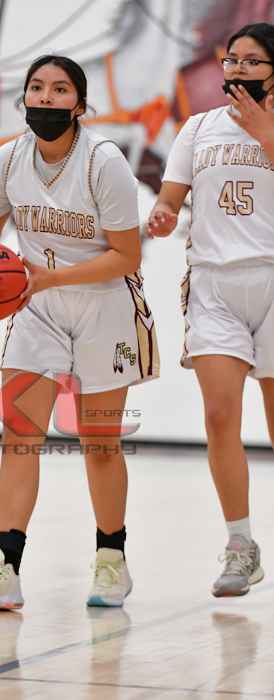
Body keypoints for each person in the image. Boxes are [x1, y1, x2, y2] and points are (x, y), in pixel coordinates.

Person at [0, 55, 159, 610]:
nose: (46, 97)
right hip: (37, 306)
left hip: (104, 305)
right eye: (37, 87)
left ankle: (111, 559)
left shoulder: (104, 161)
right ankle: (3, 567)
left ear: (80, 104)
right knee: (19, 435)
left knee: (100, 444)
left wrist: (50, 277)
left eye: (60, 89)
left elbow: (127, 256)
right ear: (25, 97)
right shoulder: (7, 158)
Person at [148, 22, 274, 597]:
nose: (238, 69)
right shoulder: (198, 127)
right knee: (221, 417)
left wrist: (265, 131)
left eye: (252, 60)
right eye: (232, 60)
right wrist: (163, 215)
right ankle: (241, 546)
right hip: (214, 286)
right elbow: (170, 198)